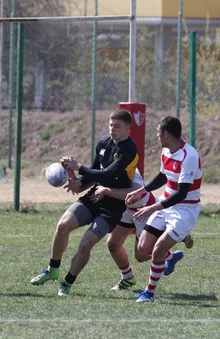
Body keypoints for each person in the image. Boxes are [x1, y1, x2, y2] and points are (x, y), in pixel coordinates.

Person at [29, 109, 139, 296]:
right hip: (94, 196)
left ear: (128, 128)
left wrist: (78, 167)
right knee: (63, 225)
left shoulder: (129, 150)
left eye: (117, 126)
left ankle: (67, 282)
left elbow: (108, 174)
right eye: (111, 125)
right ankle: (52, 269)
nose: (113, 129)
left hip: (112, 206)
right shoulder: (104, 142)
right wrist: (79, 182)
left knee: (86, 243)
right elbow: (95, 171)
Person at [125, 115, 202, 303]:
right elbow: (162, 176)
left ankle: (149, 293)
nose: (157, 136)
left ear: (166, 134)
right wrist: (142, 191)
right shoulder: (166, 151)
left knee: (157, 249)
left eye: (158, 133)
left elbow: (182, 193)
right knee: (143, 249)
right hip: (166, 203)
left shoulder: (189, 155)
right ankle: (171, 257)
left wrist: (152, 207)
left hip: (185, 210)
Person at [100, 168, 194, 292]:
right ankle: (128, 278)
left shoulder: (129, 164)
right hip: (127, 210)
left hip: (145, 210)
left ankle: (180, 238)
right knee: (112, 244)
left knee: (141, 255)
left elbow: (133, 191)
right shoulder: (105, 160)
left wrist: (106, 191)